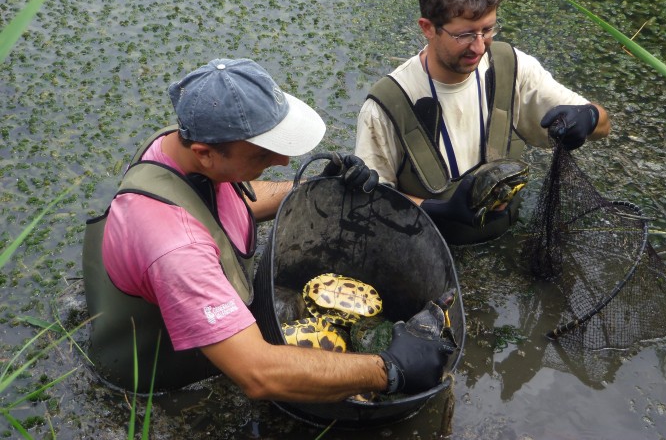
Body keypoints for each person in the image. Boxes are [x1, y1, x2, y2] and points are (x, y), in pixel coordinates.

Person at [82, 58, 454, 399]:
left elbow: (230, 197)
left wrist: (315, 188)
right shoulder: (177, 249)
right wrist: (389, 369)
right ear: (204, 153)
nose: (283, 160)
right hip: (163, 381)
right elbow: (258, 374)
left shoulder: (179, 145)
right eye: (263, 153)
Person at [354, 0, 611, 244]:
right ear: (427, 28)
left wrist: (587, 118)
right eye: (464, 34)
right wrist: (436, 209)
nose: (478, 46)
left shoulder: (512, 68)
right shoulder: (387, 104)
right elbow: (368, 203)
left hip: (506, 237)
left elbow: (604, 126)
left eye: (487, 30)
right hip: (428, 249)